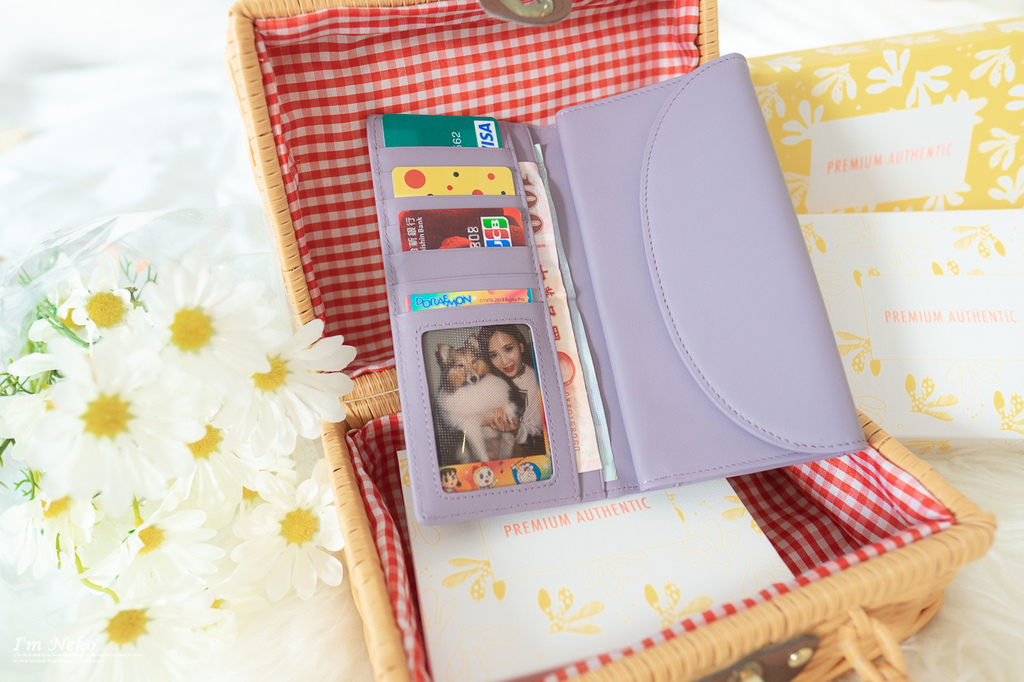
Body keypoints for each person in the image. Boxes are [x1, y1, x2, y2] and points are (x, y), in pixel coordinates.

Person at [478, 324, 546, 456]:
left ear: (521, 347)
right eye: (494, 355)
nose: (504, 361)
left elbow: (536, 432)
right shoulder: (487, 378)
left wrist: (515, 430)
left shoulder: (536, 382)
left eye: (508, 349)